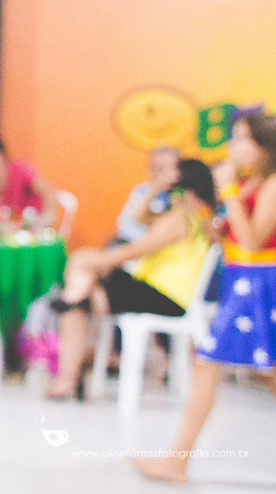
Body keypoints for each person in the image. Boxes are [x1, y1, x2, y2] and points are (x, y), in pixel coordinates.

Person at [136, 112, 276, 485]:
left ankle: (177, 462)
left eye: (242, 140)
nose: (233, 147)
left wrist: (229, 192)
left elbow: (254, 240)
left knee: (209, 363)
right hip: (241, 279)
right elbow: (231, 240)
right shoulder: (250, 182)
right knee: (271, 374)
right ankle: (177, 461)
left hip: (257, 284)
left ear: (265, 147)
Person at [43, 157, 215, 400]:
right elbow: (138, 217)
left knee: (78, 287)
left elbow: (135, 251)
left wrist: (88, 259)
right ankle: (69, 370)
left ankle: (68, 376)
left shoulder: (181, 218)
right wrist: (155, 187)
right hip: (155, 288)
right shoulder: (190, 217)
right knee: (79, 292)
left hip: (163, 294)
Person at [0, 133, 58, 227]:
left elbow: (48, 190)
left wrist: (47, 217)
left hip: (29, 232)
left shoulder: (20, 171)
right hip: (6, 235)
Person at [115, 145, 180, 244]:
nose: (166, 175)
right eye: (159, 169)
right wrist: (156, 188)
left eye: (171, 168)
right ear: (149, 170)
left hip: (147, 249)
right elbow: (137, 216)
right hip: (126, 240)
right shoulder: (142, 190)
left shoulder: (177, 196)